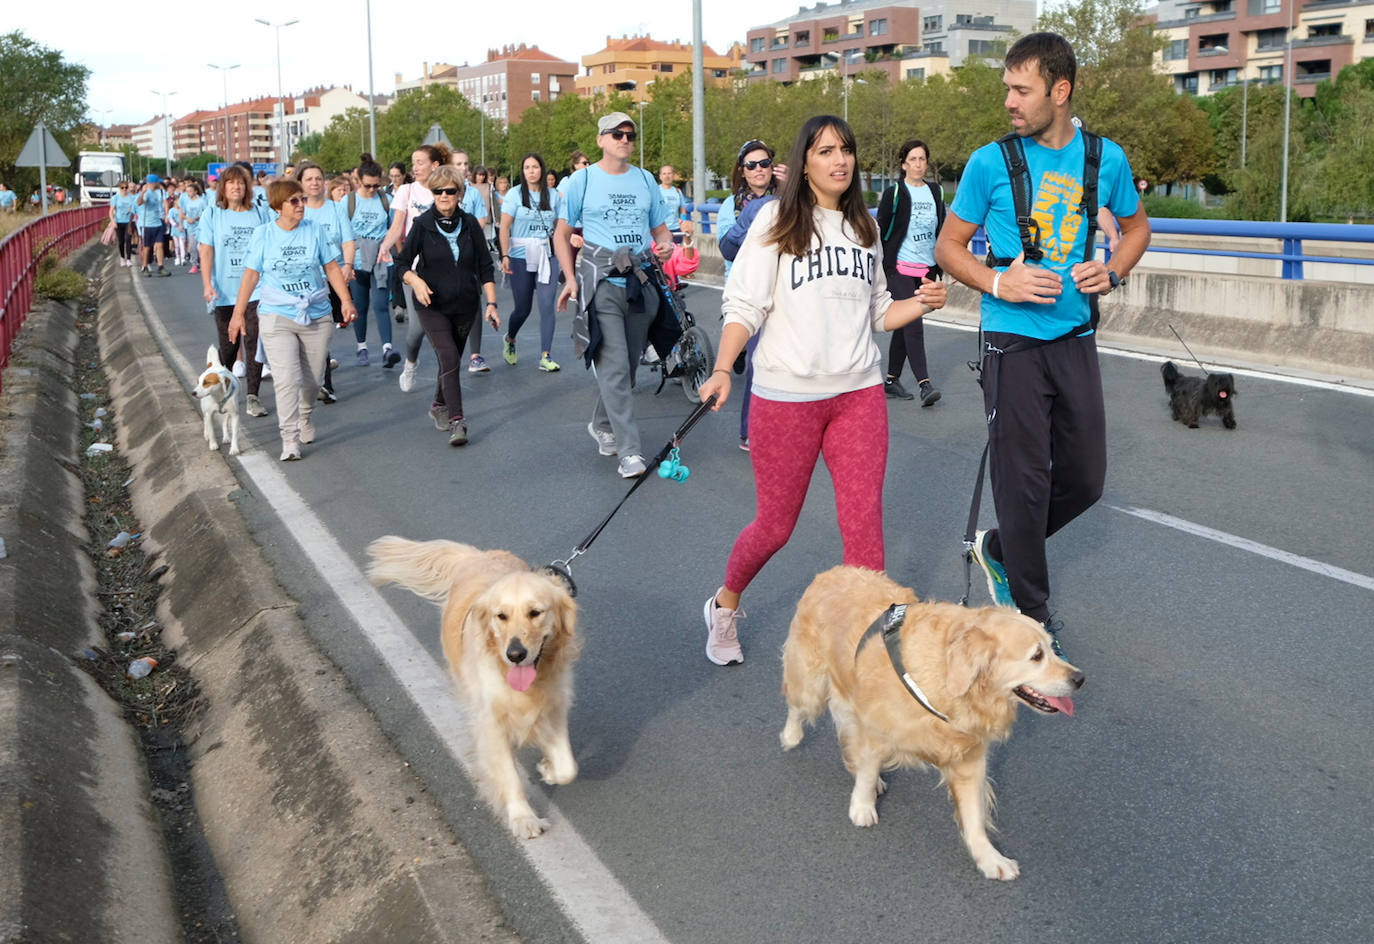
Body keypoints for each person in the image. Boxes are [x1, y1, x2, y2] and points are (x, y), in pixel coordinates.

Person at [695, 114, 948, 666]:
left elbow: (881, 311)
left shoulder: (866, 228)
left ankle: (867, 654)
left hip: (857, 395)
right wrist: (720, 368)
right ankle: (725, 603)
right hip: (786, 399)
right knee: (775, 527)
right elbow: (744, 306)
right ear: (804, 161)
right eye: (827, 150)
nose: (840, 160)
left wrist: (922, 303)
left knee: (863, 527)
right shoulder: (774, 224)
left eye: (847, 150)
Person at [934, 31, 1151, 658]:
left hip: (1076, 337)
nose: (1009, 100)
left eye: (1021, 89)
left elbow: (1136, 228)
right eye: (1007, 87)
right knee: (1023, 483)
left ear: (1061, 91)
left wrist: (1112, 269)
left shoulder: (1104, 160)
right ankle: (1032, 615)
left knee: (1085, 480)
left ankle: (1003, 546)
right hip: (1012, 344)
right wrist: (999, 279)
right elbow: (949, 247)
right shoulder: (988, 163)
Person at [554, 111, 674, 479]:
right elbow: (562, 233)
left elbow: (660, 229)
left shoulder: (645, 179)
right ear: (601, 140)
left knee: (628, 368)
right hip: (601, 280)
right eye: (617, 134)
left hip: (640, 281)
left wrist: (667, 245)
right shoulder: (582, 180)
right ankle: (630, 453)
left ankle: (602, 424)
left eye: (630, 134)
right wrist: (570, 278)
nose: (625, 139)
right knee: (617, 366)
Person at [230, 178, 357, 461]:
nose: (302, 205)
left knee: (312, 380)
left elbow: (332, 268)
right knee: (286, 379)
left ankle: (305, 414)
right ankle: (289, 438)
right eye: (295, 201)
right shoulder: (263, 234)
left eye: (303, 199)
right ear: (278, 206)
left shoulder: (314, 231)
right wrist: (238, 314)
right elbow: (251, 275)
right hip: (277, 314)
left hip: (316, 312)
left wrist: (346, 300)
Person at [393, 165, 499, 447]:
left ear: (459, 193)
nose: (443, 196)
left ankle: (438, 404)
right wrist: (414, 280)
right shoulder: (423, 225)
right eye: (438, 190)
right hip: (432, 304)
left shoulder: (471, 225)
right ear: (432, 192)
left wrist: (491, 303)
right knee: (449, 357)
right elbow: (401, 263)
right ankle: (458, 421)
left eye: (450, 191)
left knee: (450, 361)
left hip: (466, 305)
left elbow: (486, 267)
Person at [715, 139, 784, 452]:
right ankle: (749, 431)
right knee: (758, 364)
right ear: (742, 171)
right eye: (751, 165)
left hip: (781, 288)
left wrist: (796, 183)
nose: (759, 170)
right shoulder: (732, 205)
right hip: (745, 291)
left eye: (765, 163)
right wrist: (756, 216)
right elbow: (727, 249)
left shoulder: (786, 198)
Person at [199, 164, 273, 417]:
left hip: (256, 289)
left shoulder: (259, 213)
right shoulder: (213, 214)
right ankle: (220, 391)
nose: (236, 187)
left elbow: (271, 242)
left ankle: (252, 396)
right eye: (230, 182)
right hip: (225, 291)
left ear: (248, 186)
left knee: (253, 340)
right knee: (229, 347)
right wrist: (207, 283)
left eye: (241, 182)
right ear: (223, 187)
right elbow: (206, 250)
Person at [877, 139, 946, 407]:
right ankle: (924, 384)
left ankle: (892, 380)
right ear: (904, 163)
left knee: (904, 325)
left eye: (922, 159)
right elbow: (881, 233)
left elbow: (940, 229)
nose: (918, 164)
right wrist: (884, 268)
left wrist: (940, 265)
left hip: (926, 268)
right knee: (914, 324)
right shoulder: (894, 193)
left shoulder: (936, 192)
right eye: (913, 159)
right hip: (899, 268)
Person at [379, 143, 447, 393]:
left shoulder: (445, 190)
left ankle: (446, 378)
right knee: (417, 327)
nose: (415, 167)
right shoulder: (407, 191)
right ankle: (410, 364)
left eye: (420, 162)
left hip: (444, 267)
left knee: (445, 325)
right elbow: (397, 226)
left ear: (435, 165)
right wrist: (385, 246)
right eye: (413, 162)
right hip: (415, 268)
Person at [296, 161, 356, 403]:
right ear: (300, 183)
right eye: (309, 179)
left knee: (323, 331)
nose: (314, 183)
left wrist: (348, 266)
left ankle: (324, 384)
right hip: (305, 281)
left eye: (318, 178)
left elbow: (348, 241)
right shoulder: (297, 209)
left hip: (333, 277)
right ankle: (314, 382)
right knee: (306, 331)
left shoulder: (336, 209)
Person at [499, 152, 563, 372]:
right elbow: (505, 227)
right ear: (522, 171)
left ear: (542, 170)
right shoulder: (515, 195)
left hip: (547, 255)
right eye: (527, 167)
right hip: (520, 255)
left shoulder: (554, 196)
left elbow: (561, 228)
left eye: (535, 167)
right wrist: (504, 255)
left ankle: (546, 355)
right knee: (523, 308)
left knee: (547, 305)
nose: (531, 171)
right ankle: (510, 338)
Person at [345, 157, 399, 368]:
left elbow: (395, 228)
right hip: (357, 260)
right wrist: (345, 263)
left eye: (377, 185)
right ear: (358, 181)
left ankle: (387, 349)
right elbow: (343, 233)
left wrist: (388, 245)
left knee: (381, 305)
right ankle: (362, 347)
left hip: (381, 259)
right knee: (360, 306)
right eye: (367, 185)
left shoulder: (386, 200)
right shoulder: (348, 201)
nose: (372, 189)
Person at [449, 148, 493, 373]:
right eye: (458, 164)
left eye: (466, 164)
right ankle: (450, 352)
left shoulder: (474, 194)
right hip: (446, 258)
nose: (464, 168)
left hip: (469, 253)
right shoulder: (442, 193)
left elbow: (481, 222)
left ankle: (475, 355)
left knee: (474, 301)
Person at [136, 174, 170, 276]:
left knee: (160, 245)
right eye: (157, 182)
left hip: (158, 222)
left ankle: (161, 266)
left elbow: (165, 203)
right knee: (147, 247)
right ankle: (145, 266)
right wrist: (142, 193)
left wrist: (167, 215)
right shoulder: (147, 193)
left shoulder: (160, 191)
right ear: (152, 183)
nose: (159, 183)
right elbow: (139, 203)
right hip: (147, 224)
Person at [109, 181, 139, 267]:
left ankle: (128, 259)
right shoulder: (115, 198)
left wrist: (132, 211)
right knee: (121, 241)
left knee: (128, 239)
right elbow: (111, 211)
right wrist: (112, 221)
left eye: (126, 187)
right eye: (122, 188)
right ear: (119, 188)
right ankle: (122, 257)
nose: (124, 189)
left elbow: (135, 209)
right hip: (118, 221)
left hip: (129, 221)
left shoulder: (131, 198)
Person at [183, 181, 207, 274]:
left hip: (200, 227)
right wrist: (187, 218)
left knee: (201, 247)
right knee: (192, 247)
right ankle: (194, 264)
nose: (188, 193)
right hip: (191, 227)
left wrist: (196, 218)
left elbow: (206, 213)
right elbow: (183, 213)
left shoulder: (201, 201)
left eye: (190, 191)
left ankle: (203, 264)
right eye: (187, 191)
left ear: (195, 191)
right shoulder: (186, 202)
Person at [658, 165, 685, 243]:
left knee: (676, 254)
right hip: (660, 229)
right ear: (660, 176)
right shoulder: (656, 191)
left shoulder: (678, 191)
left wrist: (683, 220)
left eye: (669, 173)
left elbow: (682, 209)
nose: (667, 176)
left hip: (676, 229)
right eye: (664, 174)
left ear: (673, 176)